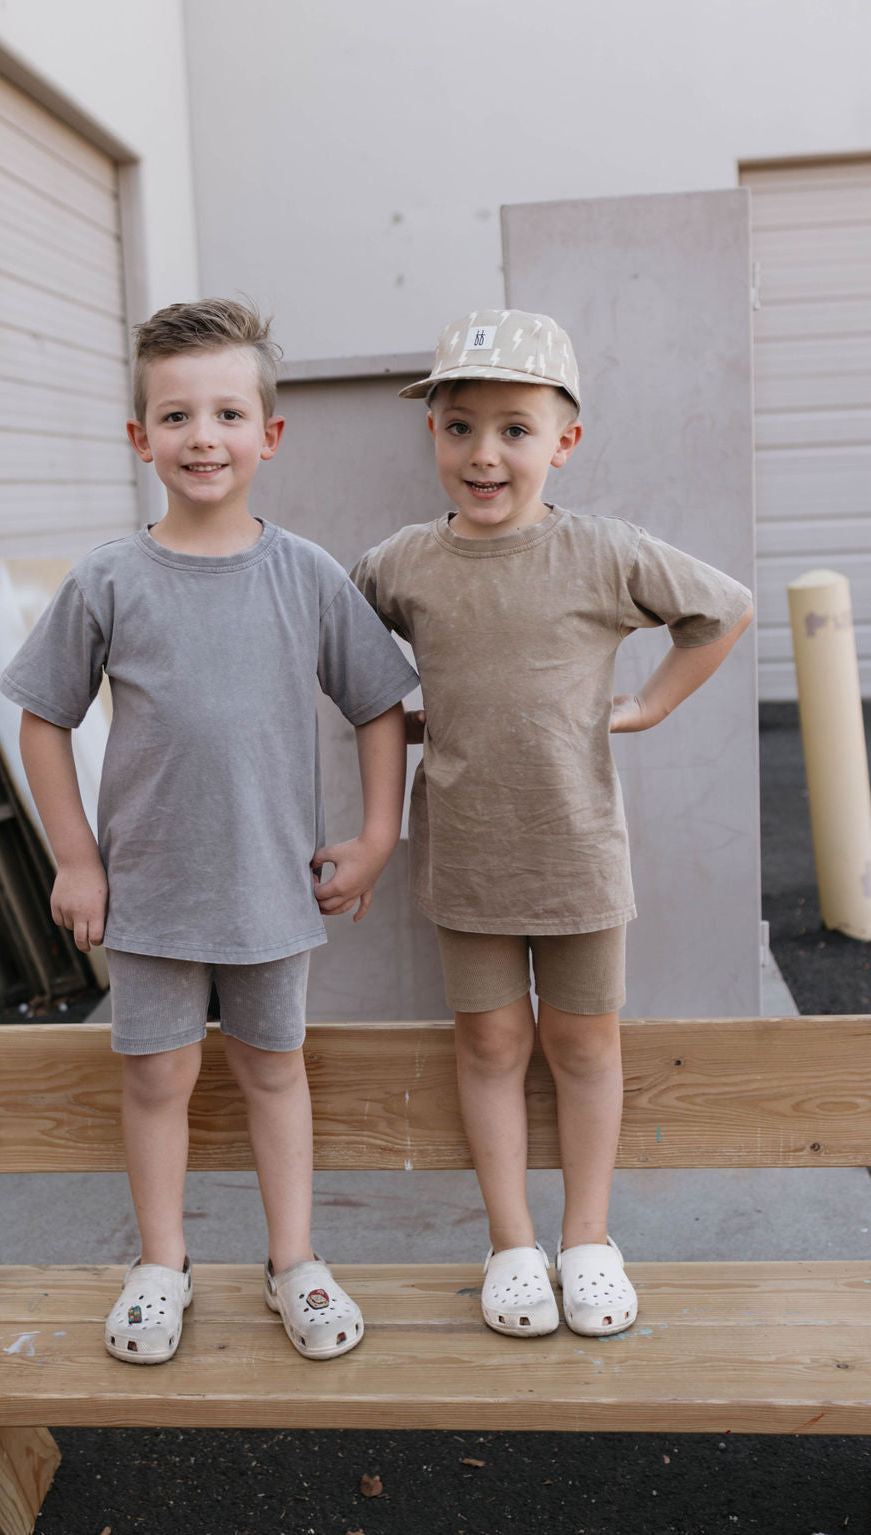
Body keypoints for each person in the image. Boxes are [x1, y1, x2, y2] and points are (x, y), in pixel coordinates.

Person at [0, 298, 416, 1365]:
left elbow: (380, 702)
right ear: (140, 437)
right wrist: (77, 857)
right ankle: (162, 1261)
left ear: (267, 434)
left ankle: (294, 1263)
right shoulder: (109, 578)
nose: (202, 436)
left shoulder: (308, 575)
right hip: (148, 893)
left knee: (276, 1070)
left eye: (227, 412)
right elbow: (42, 716)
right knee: (156, 1078)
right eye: (175, 415)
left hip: (273, 888)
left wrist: (375, 836)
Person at [351, 308, 753, 1339]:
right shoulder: (399, 565)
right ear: (431, 435)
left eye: (514, 428)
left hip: (577, 854)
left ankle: (587, 1237)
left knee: (581, 1041)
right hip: (469, 859)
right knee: (489, 1041)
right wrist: (398, 721)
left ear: (562, 440)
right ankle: (512, 1243)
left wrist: (652, 702)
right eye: (459, 426)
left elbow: (723, 609)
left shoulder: (605, 553)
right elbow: (341, 654)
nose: (485, 453)